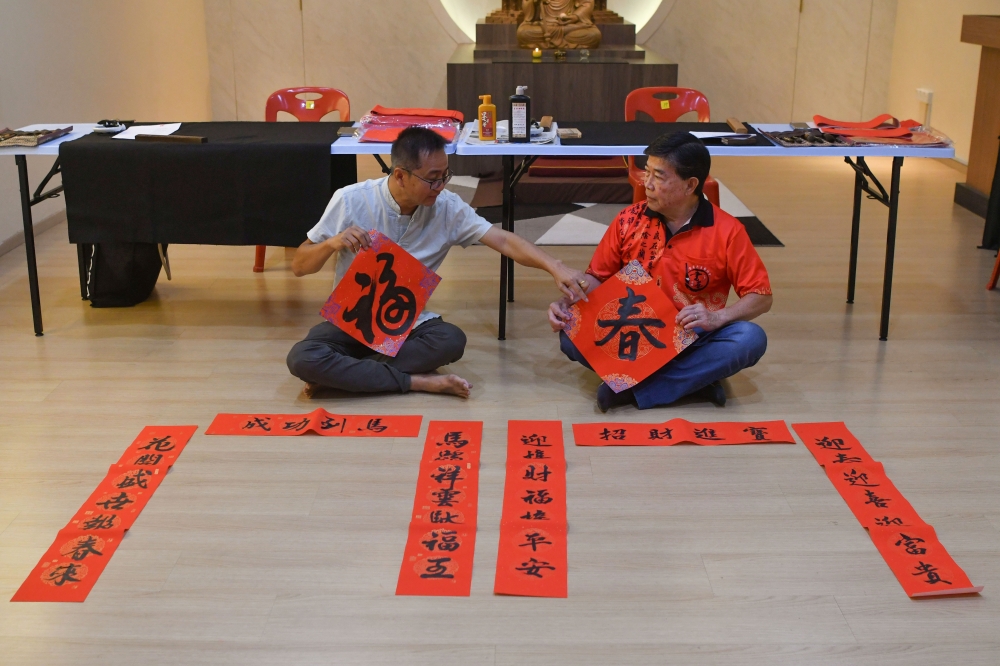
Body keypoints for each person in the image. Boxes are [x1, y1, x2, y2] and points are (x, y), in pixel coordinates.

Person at [287, 126, 589, 399]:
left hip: (406, 323)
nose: (441, 185)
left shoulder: (447, 208)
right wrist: (331, 243)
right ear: (400, 175)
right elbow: (300, 266)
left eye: (445, 175)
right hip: (352, 320)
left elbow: (504, 240)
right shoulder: (351, 200)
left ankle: (343, 376)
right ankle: (417, 382)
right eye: (432, 179)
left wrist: (556, 267)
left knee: (450, 340)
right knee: (302, 357)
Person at [548, 132, 772, 412]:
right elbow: (597, 277)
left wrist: (718, 317)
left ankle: (636, 390)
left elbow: (761, 296)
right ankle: (696, 379)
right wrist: (567, 301)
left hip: (694, 336)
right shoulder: (628, 220)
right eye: (646, 172)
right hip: (635, 334)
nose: (646, 183)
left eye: (658, 176)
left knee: (750, 338)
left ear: (690, 185)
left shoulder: (728, 231)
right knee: (570, 333)